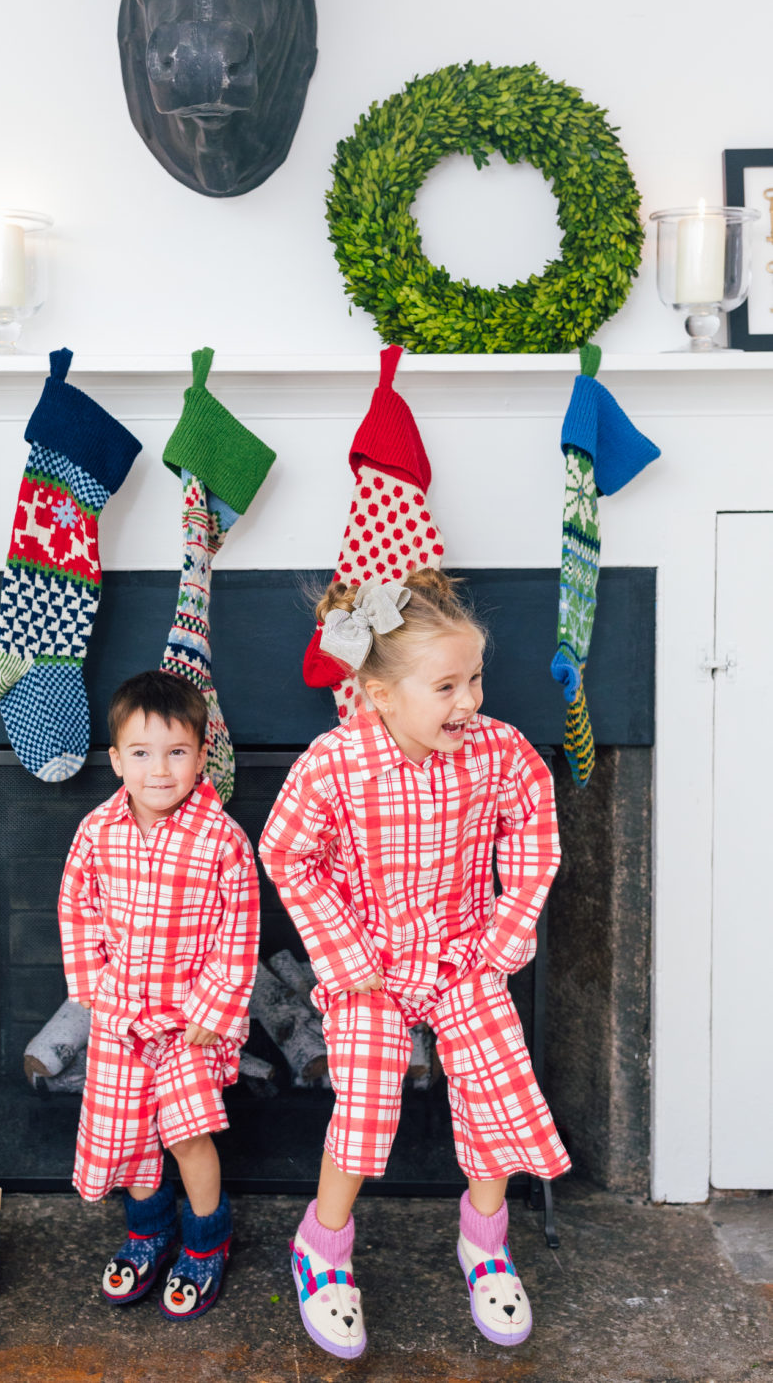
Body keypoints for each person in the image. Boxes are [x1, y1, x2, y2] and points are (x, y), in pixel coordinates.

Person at [259, 570, 570, 1361]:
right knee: (364, 1106)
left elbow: (536, 833)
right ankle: (322, 1249)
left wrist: (504, 936)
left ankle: (485, 1241)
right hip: (370, 964)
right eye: (446, 685)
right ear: (379, 694)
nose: (468, 700)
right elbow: (287, 853)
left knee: (495, 1089)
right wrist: (344, 951)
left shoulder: (497, 752)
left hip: (465, 954)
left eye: (475, 679)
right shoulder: (336, 763)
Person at [57, 668, 259, 1320]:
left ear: (203, 757)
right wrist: (92, 988)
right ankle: (148, 1234)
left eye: (177, 752)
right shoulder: (97, 832)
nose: (160, 770)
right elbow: (77, 909)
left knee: (186, 1135)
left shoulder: (222, 840)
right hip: (121, 1019)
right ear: (117, 760)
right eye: (142, 754)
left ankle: (206, 1240)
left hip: (188, 1022)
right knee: (132, 1137)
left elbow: (240, 931)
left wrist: (215, 1008)